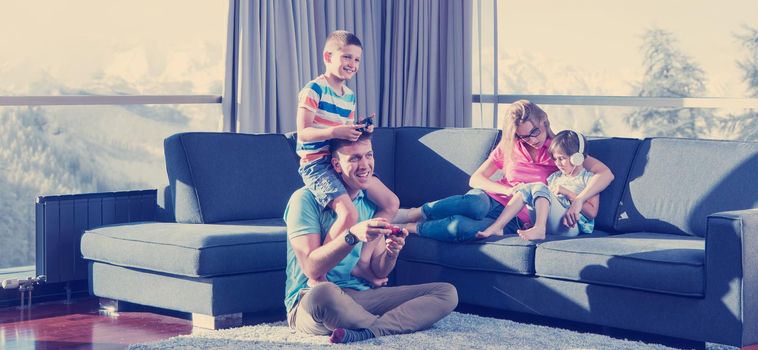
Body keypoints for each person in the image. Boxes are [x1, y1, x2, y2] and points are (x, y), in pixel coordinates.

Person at [284, 132, 458, 344]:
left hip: (359, 296)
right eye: (355, 158)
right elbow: (312, 268)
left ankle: (367, 331)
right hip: (310, 300)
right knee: (324, 293)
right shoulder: (304, 199)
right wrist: (351, 235)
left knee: (446, 293)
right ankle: (389, 325)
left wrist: (391, 253)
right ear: (336, 165)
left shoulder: (370, 203)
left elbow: (378, 271)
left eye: (369, 155)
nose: (365, 165)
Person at [397, 100, 614, 242]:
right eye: (523, 136)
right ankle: (416, 212)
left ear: (544, 121)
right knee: (474, 203)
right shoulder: (510, 147)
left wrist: (578, 199)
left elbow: (604, 174)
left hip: (515, 218)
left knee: (461, 227)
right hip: (492, 199)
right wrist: (509, 192)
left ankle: (411, 227)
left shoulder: (560, 151)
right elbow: (476, 179)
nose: (532, 140)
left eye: (535, 132)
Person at [295, 30, 399, 287]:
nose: (352, 64)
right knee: (350, 215)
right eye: (347, 57)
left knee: (391, 203)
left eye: (357, 60)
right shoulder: (314, 89)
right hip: (317, 165)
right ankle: (318, 275)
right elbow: (303, 132)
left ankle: (361, 265)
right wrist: (335, 131)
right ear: (328, 56)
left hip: (338, 159)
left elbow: (345, 139)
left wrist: (360, 130)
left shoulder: (349, 95)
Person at [475, 130, 599, 240]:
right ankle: (498, 227)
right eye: (555, 159)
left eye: (562, 158)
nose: (558, 164)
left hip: (572, 226)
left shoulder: (589, 179)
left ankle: (539, 229)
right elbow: (543, 203)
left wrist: (568, 193)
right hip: (553, 224)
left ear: (577, 157)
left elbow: (592, 213)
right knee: (525, 188)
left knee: (539, 186)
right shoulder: (554, 178)